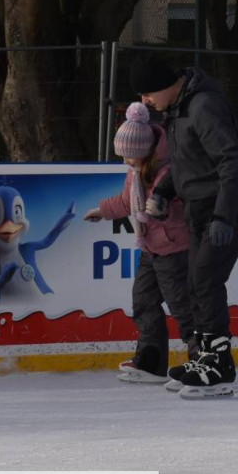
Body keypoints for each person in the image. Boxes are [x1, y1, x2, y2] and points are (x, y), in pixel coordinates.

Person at [129, 53, 238, 397]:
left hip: (228, 207)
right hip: (200, 207)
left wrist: (224, 216)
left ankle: (218, 363)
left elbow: (232, 160)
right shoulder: (177, 111)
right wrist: (164, 190)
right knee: (195, 283)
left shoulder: (202, 106)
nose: (144, 102)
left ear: (164, 84)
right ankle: (206, 356)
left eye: (147, 94)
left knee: (205, 280)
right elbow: (186, 163)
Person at [85, 102, 195, 384]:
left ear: (144, 153)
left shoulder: (169, 171)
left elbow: (184, 203)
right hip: (150, 248)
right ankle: (151, 361)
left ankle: (202, 358)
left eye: (129, 158)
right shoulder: (136, 172)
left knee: (183, 307)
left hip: (173, 250)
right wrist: (102, 211)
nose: (126, 164)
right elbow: (126, 201)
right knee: (143, 301)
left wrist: (164, 208)